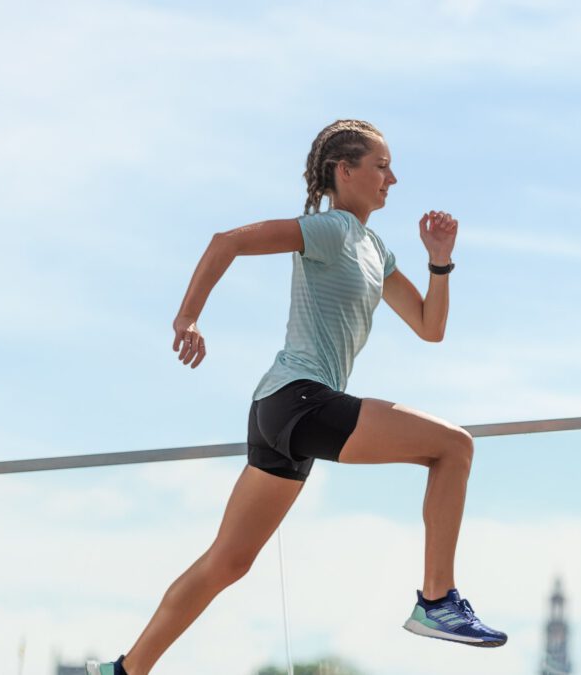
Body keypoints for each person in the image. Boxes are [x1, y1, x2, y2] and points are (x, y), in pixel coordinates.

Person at [87, 119, 506, 675]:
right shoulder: (329, 228)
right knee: (454, 447)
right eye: (381, 167)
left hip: (279, 411)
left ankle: (125, 670)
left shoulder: (374, 248)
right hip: (300, 397)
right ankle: (436, 599)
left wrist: (440, 261)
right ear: (345, 171)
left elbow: (430, 327)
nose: (393, 179)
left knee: (227, 562)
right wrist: (188, 318)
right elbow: (227, 241)